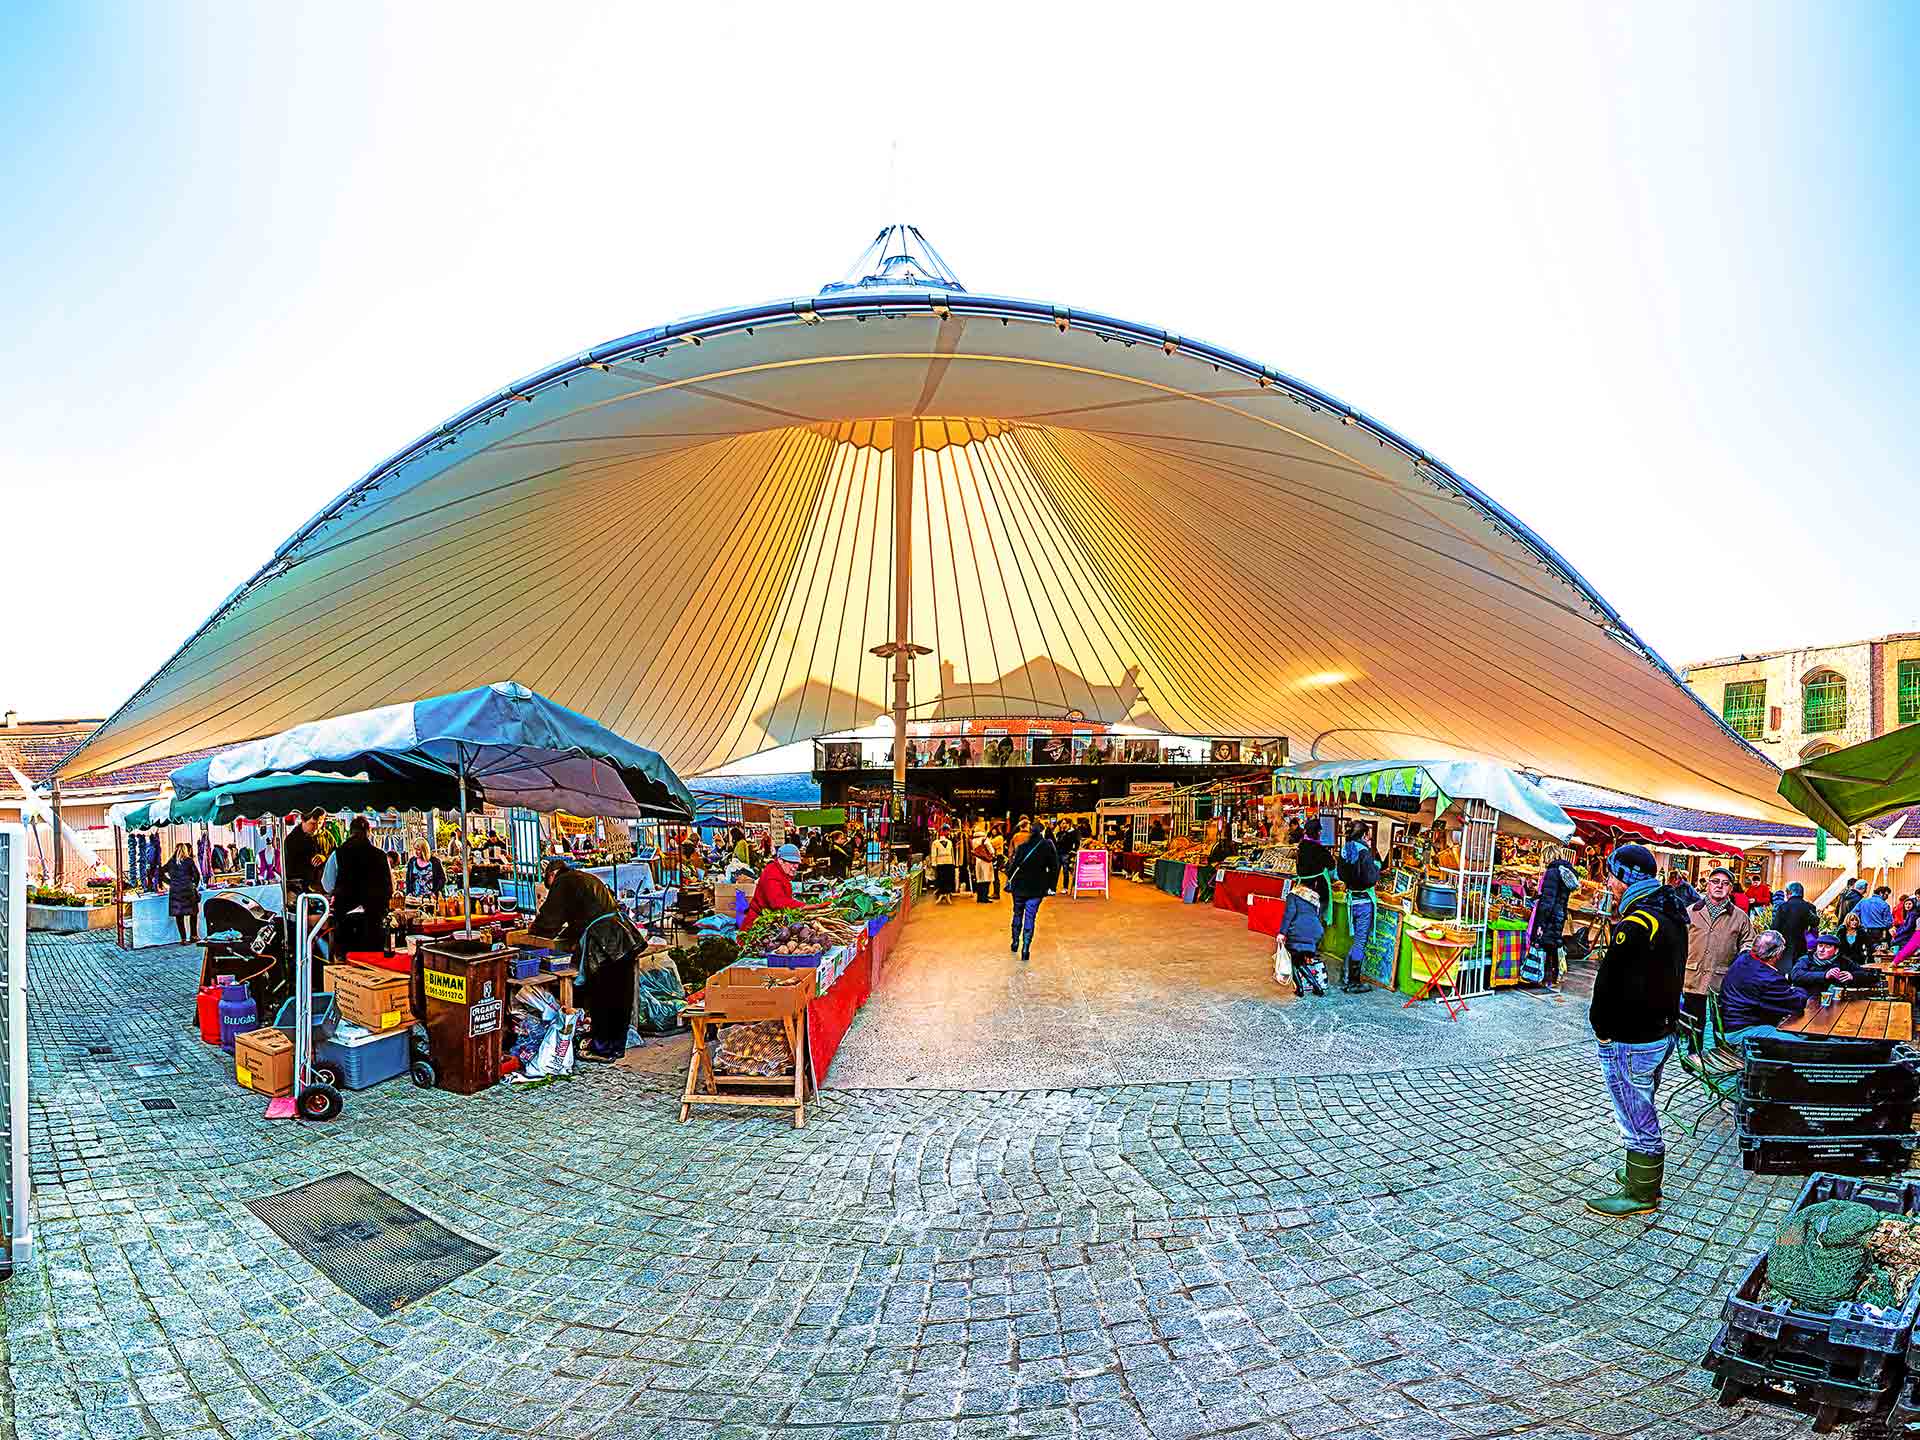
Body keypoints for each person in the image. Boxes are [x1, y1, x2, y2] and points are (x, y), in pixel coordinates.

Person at [1585, 844, 1687, 1218]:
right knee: (1640, 1101)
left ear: (1626, 877)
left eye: (1612, 875)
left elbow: (1614, 982)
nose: (1609, 884)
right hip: (1658, 1030)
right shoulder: (1670, 913)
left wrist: (1603, 1029)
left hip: (1633, 1036)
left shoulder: (1639, 921)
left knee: (1634, 1111)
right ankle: (1637, 1174)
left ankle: (1642, 1192)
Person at [529, 856, 640, 1062]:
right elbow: (578, 919)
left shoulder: (563, 881)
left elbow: (549, 918)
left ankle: (602, 1048)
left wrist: (532, 933)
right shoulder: (584, 878)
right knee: (621, 996)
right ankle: (615, 1046)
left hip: (605, 942)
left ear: (552, 875)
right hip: (623, 935)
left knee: (603, 996)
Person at [1681, 866, 1753, 1030]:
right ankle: (1693, 1052)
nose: (1719, 886)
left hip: (1721, 978)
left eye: (1725, 883)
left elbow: (1749, 941)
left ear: (1730, 888)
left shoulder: (1740, 917)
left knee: (1720, 1024)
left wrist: (1743, 955)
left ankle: (1719, 1051)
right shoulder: (1691, 912)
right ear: (1708, 885)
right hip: (1692, 976)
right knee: (1692, 1024)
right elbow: (1678, 941)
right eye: (1715, 882)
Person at [1719, 930, 1810, 1041]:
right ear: (1778, 954)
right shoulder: (1768, 979)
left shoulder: (1743, 958)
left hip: (1730, 1023)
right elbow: (1797, 1002)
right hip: (1742, 1031)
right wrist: (1799, 989)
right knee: (1803, 1044)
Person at [323, 816, 392, 958]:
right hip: (374, 918)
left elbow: (327, 885)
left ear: (350, 832)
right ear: (369, 831)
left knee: (347, 963)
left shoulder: (338, 854)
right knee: (374, 962)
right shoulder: (380, 855)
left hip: (346, 917)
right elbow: (389, 886)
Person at [1529, 846, 1583, 995]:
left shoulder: (1553, 872)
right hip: (1559, 914)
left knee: (1546, 945)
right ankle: (1553, 977)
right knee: (1553, 945)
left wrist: (1540, 921)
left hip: (1551, 915)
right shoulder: (1564, 871)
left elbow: (1548, 900)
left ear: (1548, 856)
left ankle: (1546, 978)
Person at [1336, 824, 1381, 994]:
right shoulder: (1364, 851)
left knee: (1356, 941)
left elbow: (1341, 874)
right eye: (1368, 835)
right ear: (1363, 835)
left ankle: (1346, 976)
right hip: (1363, 903)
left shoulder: (1345, 849)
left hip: (1351, 901)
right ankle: (1353, 982)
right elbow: (1370, 878)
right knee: (1360, 941)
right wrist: (1376, 864)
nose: (1369, 839)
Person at [1005, 822, 1058, 963]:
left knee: (1017, 913)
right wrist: (1051, 886)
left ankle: (1015, 942)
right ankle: (1025, 949)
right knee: (1030, 916)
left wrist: (1009, 879)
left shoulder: (1022, 847)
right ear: (1042, 831)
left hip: (1019, 887)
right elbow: (1055, 867)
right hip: (1037, 888)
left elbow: (1013, 866)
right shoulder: (1048, 846)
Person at [1280, 883, 1328, 997]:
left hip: (1299, 931)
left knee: (1294, 960)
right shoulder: (1314, 897)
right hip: (1315, 932)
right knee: (1298, 960)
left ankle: (1304, 988)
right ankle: (1312, 988)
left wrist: (1282, 932)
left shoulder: (1293, 895)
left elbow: (1289, 914)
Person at [743, 843, 804, 931]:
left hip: (768, 921)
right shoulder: (772, 874)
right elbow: (777, 902)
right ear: (780, 861)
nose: (796, 866)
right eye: (791, 862)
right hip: (756, 924)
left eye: (797, 863)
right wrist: (804, 906)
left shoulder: (780, 871)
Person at [1790, 932, 1874, 989]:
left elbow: (1870, 976)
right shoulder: (1806, 959)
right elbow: (1795, 975)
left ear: (1836, 950)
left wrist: (1852, 976)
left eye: (1827, 947)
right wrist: (1824, 975)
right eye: (1820, 945)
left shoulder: (1843, 961)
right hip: (1808, 1001)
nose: (1821, 950)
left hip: (1837, 1003)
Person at [161, 842, 201, 942]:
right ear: (185, 850)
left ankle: (183, 938)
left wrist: (170, 882)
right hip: (188, 890)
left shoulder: (171, 862)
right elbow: (197, 875)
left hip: (175, 891)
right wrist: (194, 884)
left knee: (179, 915)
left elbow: (160, 872)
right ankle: (194, 936)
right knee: (193, 913)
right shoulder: (189, 861)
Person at [1294, 818, 1336, 912]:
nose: (1321, 833)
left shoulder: (1301, 846)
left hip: (1301, 888)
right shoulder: (1319, 849)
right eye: (1319, 831)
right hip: (1317, 889)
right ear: (1317, 832)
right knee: (1315, 916)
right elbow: (1332, 865)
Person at [1771, 882, 1819, 964]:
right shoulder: (1809, 907)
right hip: (1802, 944)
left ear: (1789, 893)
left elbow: (1775, 927)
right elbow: (1815, 923)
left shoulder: (1783, 907)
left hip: (1785, 946)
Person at [283, 808, 327, 896]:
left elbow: (335, 858)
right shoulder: (291, 841)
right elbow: (289, 873)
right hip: (302, 893)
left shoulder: (327, 836)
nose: (317, 827)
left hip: (324, 891)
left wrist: (325, 858)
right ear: (303, 820)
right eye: (313, 823)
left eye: (320, 823)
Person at [969, 825, 996, 904]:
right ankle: (984, 898)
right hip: (985, 860)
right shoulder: (985, 839)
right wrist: (993, 854)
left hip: (978, 860)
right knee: (986, 880)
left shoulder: (973, 840)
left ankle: (979, 898)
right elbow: (991, 850)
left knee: (980, 879)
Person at [929, 829, 957, 903]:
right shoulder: (935, 843)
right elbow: (933, 854)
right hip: (940, 863)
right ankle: (941, 895)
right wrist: (934, 863)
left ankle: (947, 895)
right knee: (941, 879)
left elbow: (952, 853)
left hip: (949, 863)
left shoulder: (950, 842)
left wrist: (954, 863)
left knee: (948, 879)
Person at [1054, 821, 1079, 895]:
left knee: (1065, 871)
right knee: (1056, 871)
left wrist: (1073, 851)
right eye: (1062, 823)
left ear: (1069, 824)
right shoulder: (1059, 833)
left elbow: (1077, 842)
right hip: (1058, 853)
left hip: (1066, 853)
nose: (1062, 824)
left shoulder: (1073, 832)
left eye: (1064, 823)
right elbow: (1056, 842)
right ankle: (1053, 888)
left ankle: (1065, 888)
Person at [989, 824, 1006, 901]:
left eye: (994, 829)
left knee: (995, 875)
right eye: (992, 829)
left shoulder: (999, 838)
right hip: (995, 857)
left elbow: (991, 844)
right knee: (994, 875)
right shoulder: (994, 838)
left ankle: (996, 893)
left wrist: (987, 842)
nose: (993, 831)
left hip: (998, 857)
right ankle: (995, 893)